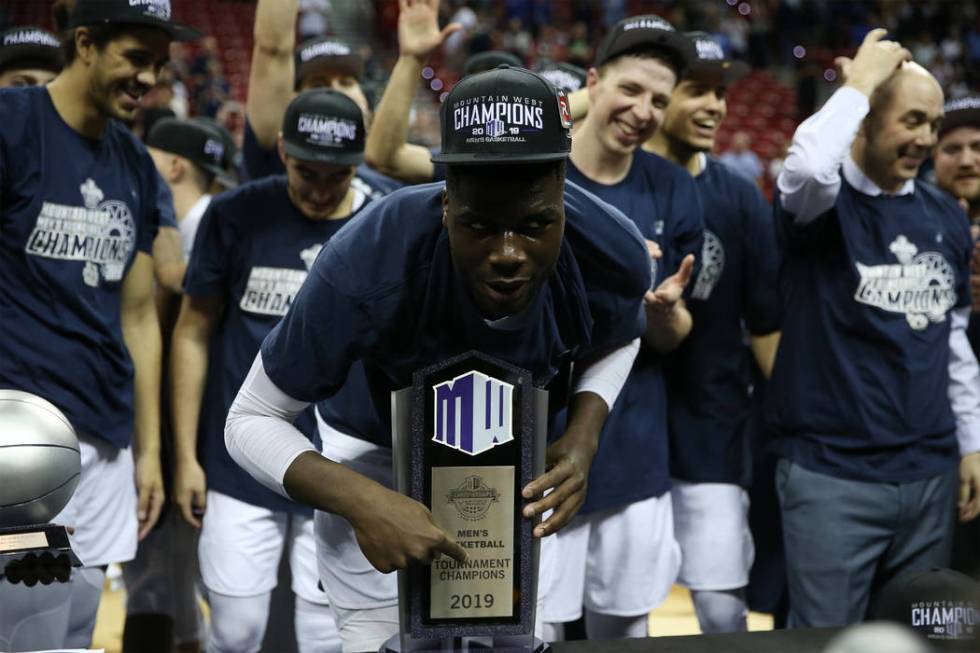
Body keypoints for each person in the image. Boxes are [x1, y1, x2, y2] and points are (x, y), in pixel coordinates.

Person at [224, 66, 652, 653]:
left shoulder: (611, 250)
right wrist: (360, 500)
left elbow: (620, 336)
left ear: (563, 192)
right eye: (480, 225)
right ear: (446, 202)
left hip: (510, 462)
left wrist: (583, 435)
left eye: (534, 226)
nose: (507, 254)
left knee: (515, 644)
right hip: (375, 453)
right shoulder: (369, 257)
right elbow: (249, 419)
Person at [0, 0, 198, 649]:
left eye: (159, 65)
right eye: (136, 59)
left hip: (106, 439)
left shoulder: (135, 163)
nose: (149, 79)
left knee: (81, 621)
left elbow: (140, 315)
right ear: (85, 43)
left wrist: (149, 451)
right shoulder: (13, 124)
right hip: (22, 442)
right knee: (30, 624)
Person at [771, 29, 980, 628]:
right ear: (861, 121)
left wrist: (971, 443)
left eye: (932, 124)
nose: (926, 139)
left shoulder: (944, 212)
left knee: (916, 639)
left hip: (929, 474)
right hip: (832, 475)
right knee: (825, 642)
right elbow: (809, 164)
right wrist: (859, 82)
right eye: (912, 120)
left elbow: (954, 337)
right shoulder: (824, 205)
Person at [171, 89, 373, 653]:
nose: (320, 188)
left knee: (327, 635)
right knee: (234, 631)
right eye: (306, 170)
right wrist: (187, 456)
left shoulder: (382, 221)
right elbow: (192, 332)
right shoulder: (236, 214)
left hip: (343, 464)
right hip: (239, 461)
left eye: (338, 175)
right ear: (281, 149)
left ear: (359, 163)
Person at [537, 16, 703, 642]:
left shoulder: (673, 188)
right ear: (592, 82)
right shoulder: (538, 171)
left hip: (633, 454)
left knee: (624, 633)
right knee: (537, 631)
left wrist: (666, 315)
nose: (643, 111)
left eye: (660, 100)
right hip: (540, 450)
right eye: (630, 89)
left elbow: (672, 336)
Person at [646, 32, 781, 633]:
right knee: (611, 614)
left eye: (721, 93)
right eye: (695, 90)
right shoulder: (616, 185)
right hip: (626, 434)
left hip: (714, 431)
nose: (715, 106)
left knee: (724, 609)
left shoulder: (740, 198)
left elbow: (767, 323)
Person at [122, 117, 229, 653]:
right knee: (168, 574)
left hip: (207, 437)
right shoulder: (189, 227)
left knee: (188, 576)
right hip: (182, 435)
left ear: (172, 165)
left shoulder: (214, 229)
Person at [242, 0, 399, 199]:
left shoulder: (394, 182)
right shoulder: (279, 160)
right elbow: (272, 49)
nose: (335, 92)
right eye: (318, 85)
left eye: (347, 82)